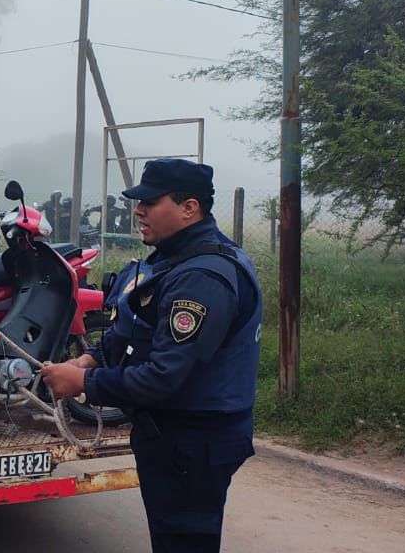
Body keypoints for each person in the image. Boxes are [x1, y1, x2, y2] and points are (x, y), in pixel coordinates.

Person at [41, 159, 261, 553]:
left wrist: (83, 384)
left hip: (193, 440)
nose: (138, 210)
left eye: (150, 202)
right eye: (137, 202)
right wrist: (90, 358)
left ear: (189, 208)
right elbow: (133, 328)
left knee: (183, 540)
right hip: (172, 435)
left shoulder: (202, 277)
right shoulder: (168, 259)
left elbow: (163, 376)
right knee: (171, 534)